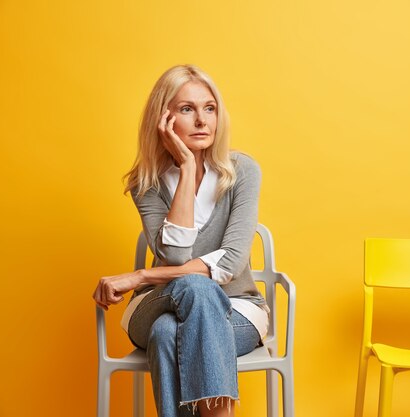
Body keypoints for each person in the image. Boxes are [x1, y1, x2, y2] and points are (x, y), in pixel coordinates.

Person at [92, 64, 268, 417]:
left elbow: (231, 263)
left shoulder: (242, 171)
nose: (203, 121)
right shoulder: (147, 184)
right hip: (159, 303)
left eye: (210, 108)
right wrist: (187, 168)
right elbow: (175, 256)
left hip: (238, 309)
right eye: (187, 109)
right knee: (195, 290)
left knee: (167, 334)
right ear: (164, 119)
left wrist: (140, 277)